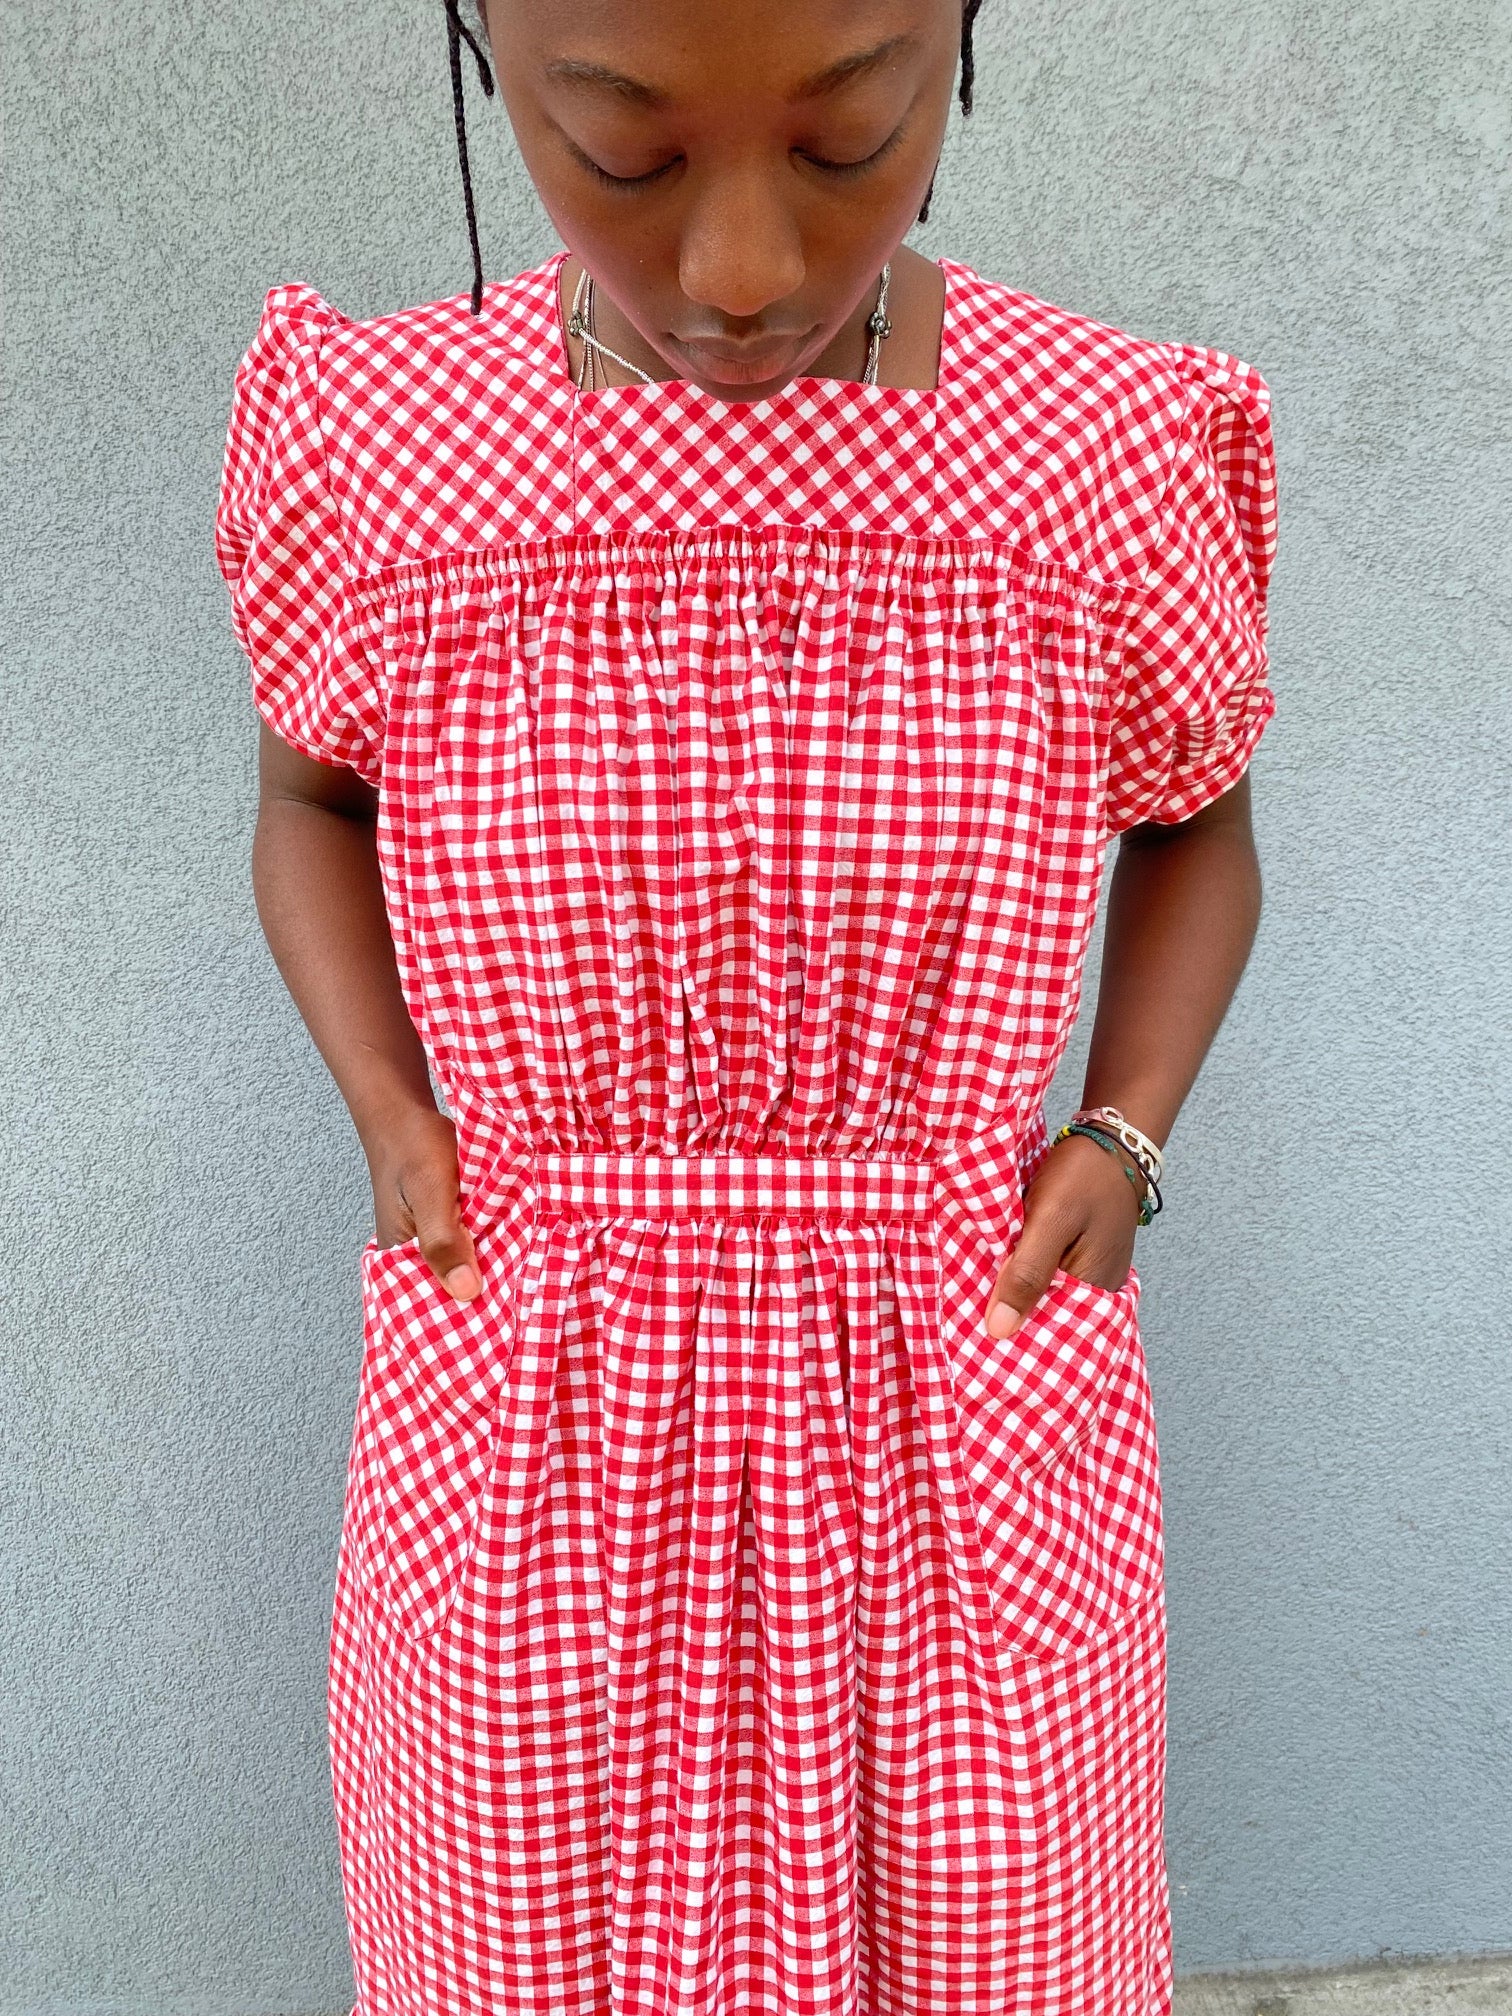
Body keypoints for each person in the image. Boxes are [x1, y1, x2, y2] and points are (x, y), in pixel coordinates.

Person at [213, 1, 1276, 2011]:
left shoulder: (1101, 458)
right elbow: (304, 796)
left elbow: (1200, 824)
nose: (741, 271)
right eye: (620, 154)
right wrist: (387, 1106)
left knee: (988, 1936)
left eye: (852, 139)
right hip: (539, 1383)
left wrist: (1125, 1131)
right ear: (484, 51)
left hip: (952, 1387)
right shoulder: (390, 444)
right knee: (523, 1933)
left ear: (958, 43)